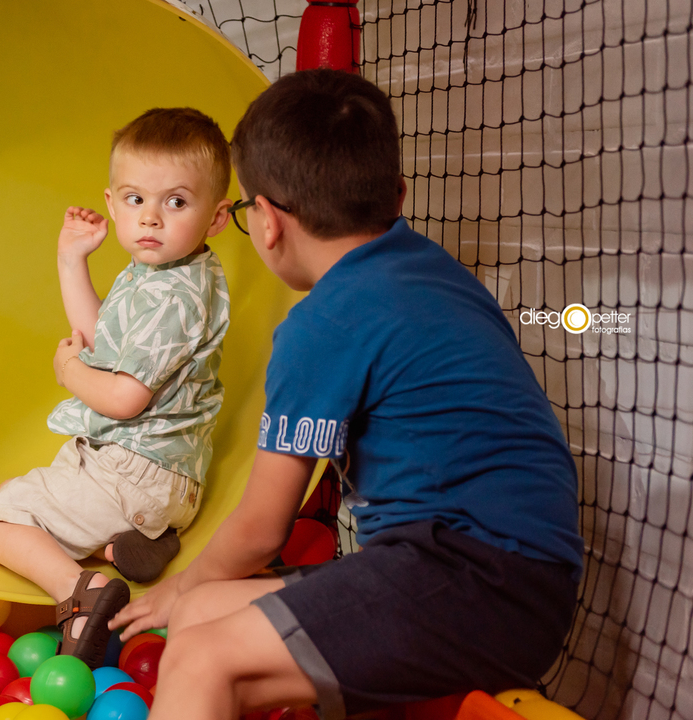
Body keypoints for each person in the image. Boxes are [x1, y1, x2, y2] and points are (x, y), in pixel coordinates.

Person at [110, 69, 584, 720]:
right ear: (396, 194)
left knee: (200, 652)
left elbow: (259, 528)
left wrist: (173, 586)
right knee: (202, 617)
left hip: (470, 580)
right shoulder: (430, 270)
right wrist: (188, 597)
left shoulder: (325, 321)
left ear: (268, 223)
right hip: (516, 583)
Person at [0, 107, 235, 667]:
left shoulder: (171, 296)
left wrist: (69, 374)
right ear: (112, 204)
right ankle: (126, 547)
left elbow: (122, 396)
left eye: (177, 202)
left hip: (136, 473)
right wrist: (72, 260)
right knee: (61, 475)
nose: (152, 220)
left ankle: (81, 594)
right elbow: (104, 348)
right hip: (158, 479)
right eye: (136, 200)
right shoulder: (164, 272)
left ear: (216, 218)